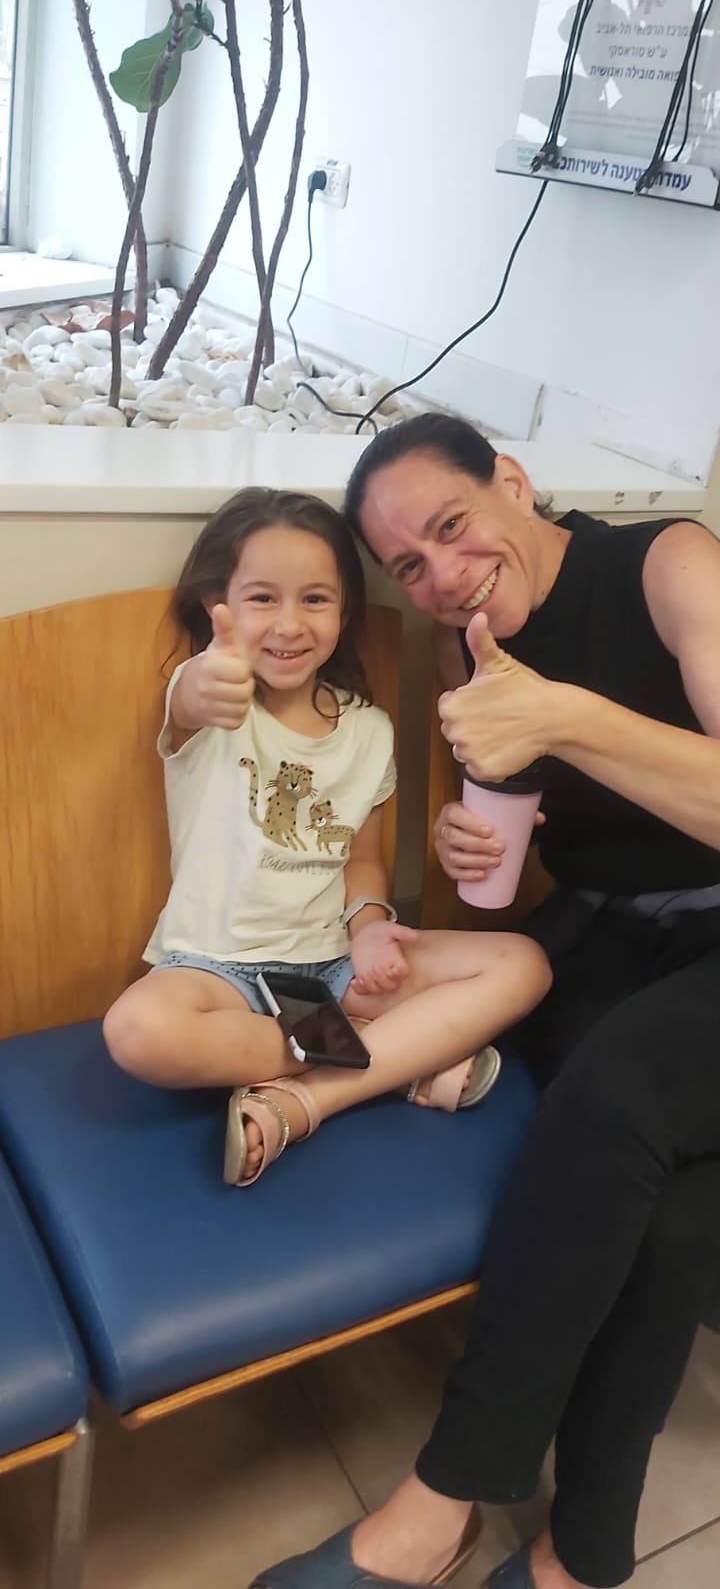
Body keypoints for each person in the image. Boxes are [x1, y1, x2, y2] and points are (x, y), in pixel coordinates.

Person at [249, 416, 720, 1589]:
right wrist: (468, 847)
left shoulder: (669, 565)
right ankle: (589, 1551)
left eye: (453, 526)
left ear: (513, 480)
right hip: (610, 927)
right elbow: (507, 852)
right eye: (409, 565)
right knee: (669, 1197)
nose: (445, 574)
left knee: (617, 1100)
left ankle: (445, 1497)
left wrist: (566, 717)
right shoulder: (471, 647)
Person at [103, 486, 549, 1187]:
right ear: (219, 605)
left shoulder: (369, 730)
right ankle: (386, 1056)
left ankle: (316, 1083)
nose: (289, 624)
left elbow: (362, 860)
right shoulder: (212, 702)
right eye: (261, 598)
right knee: (137, 1031)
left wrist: (370, 929)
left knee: (524, 964)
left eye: (315, 599)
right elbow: (192, 694)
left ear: (345, 610)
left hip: (332, 969)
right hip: (215, 973)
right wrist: (207, 679)